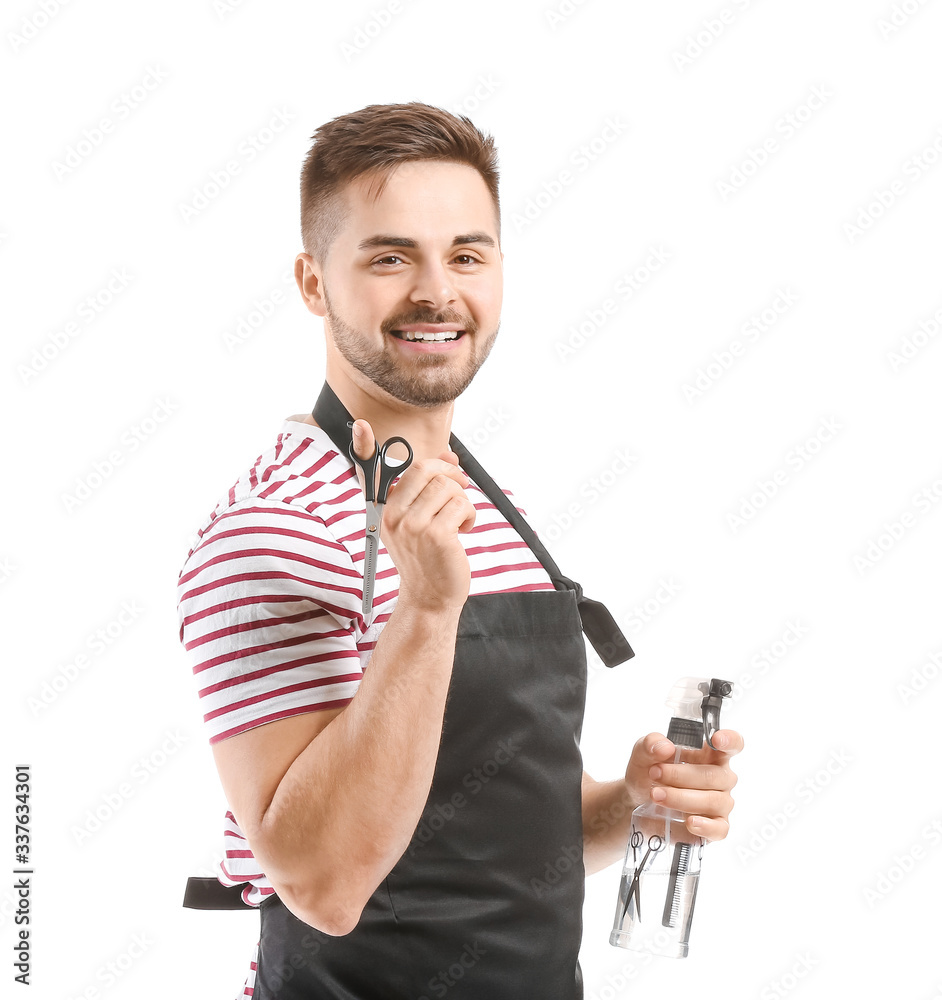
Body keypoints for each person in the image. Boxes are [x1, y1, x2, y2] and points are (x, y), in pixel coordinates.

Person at [177, 102, 742, 999]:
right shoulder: (271, 531)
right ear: (314, 282)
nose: (438, 291)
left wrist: (631, 805)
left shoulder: (490, 504)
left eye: (467, 255)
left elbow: (484, 844)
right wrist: (427, 610)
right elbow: (321, 884)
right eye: (390, 256)